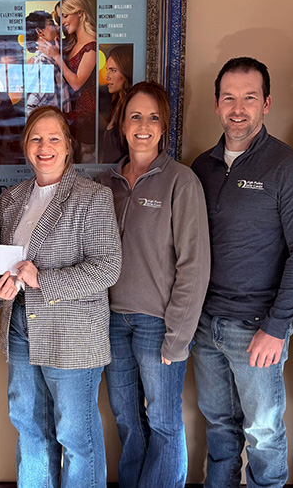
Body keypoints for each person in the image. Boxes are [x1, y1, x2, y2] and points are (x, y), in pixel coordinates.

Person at [190, 58, 293, 488]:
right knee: (218, 425)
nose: (238, 108)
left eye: (249, 97)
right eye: (228, 98)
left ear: (266, 103)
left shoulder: (289, 168)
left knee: (263, 431)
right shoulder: (202, 168)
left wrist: (277, 326)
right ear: (216, 104)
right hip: (205, 324)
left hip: (257, 328)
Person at [0, 105, 122, 488]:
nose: (44, 147)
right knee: (30, 427)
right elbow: (10, 267)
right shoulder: (11, 200)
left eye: (53, 138)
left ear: (68, 146)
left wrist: (43, 281)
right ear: (25, 146)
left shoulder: (92, 197)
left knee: (76, 438)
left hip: (73, 335)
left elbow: (107, 268)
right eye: (36, 138)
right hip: (20, 327)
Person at [97, 82, 210, 488]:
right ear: (122, 124)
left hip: (158, 324)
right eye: (135, 116)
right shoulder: (106, 184)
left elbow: (194, 265)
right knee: (126, 418)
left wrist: (178, 336)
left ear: (164, 127)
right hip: (112, 322)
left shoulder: (181, 181)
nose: (143, 126)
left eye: (153, 118)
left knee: (163, 420)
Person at [42, 0, 98, 162]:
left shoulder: (92, 46)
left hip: (86, 119)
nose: (63, 22)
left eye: (66, 16)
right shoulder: (71, 43)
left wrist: (57, 57)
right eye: (60, 18)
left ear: (80, 12)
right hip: (70, 113)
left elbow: (76, 84)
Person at [99, 45, 134, 164]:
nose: (107, 77)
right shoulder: (118, 104)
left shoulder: (131, 110)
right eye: (107, 70)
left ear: (126, 72)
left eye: (113, 70)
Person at [24, 10, 62, 114]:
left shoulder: (48, 61)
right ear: (40, 31)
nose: (58, 28)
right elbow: (30, 108)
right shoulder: (43, 64)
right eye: (51, 24)